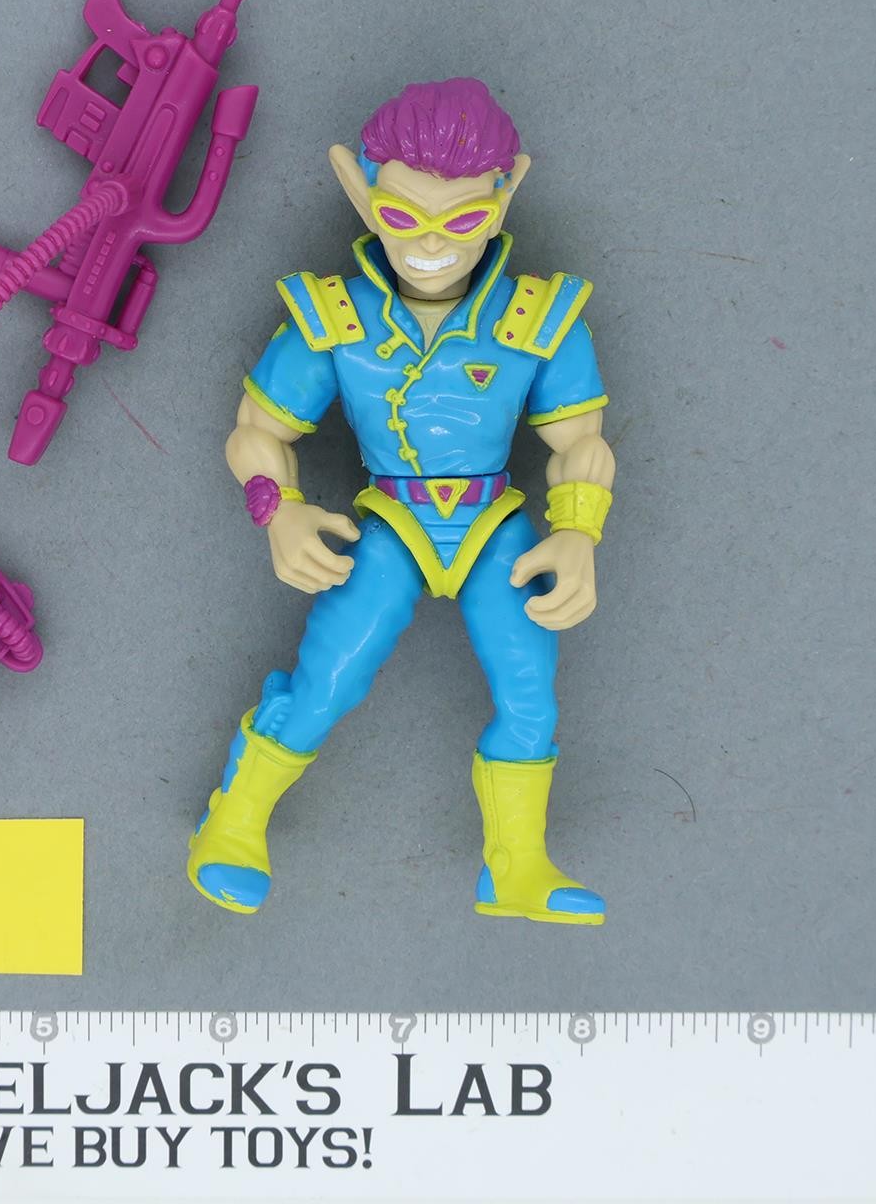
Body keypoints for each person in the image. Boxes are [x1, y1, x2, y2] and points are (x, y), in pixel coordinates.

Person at [187, 78, 616, 925]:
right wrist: (278, 508)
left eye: (461, 219)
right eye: (401, 214)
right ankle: (232, 825)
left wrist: (578, 533)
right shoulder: (333, 318)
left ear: (504, 198)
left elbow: (582, 443)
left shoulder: (539, 318)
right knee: (329, 678)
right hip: (391, 519)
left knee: (530, 691)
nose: (429, 244)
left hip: (494, 524)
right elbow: (256, 431)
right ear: (358, 191)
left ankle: (518, 865)